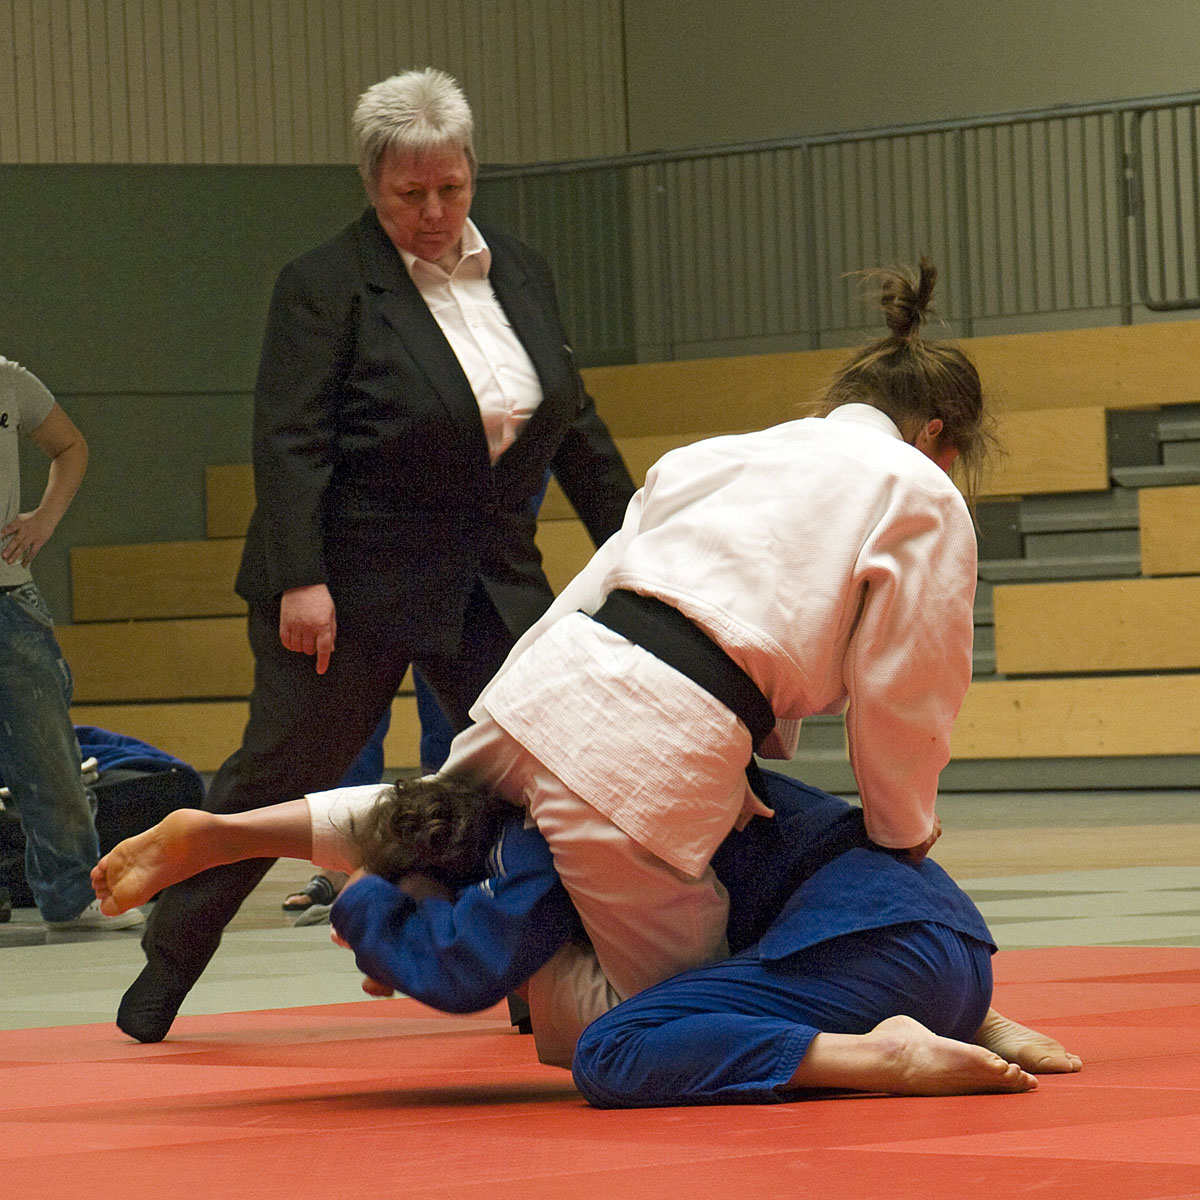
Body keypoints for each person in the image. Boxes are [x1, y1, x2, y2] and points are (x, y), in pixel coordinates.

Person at [117, 67, 633, 1043]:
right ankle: (167, 965)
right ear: (370, 183)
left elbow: (572, 422)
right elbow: (292, 439)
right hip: (350, 579)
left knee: (535, 769)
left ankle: (530, 972)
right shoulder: (324, 285)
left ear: (473, 172)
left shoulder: (519, 270)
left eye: (452, 188)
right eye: (410, 194)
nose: (435, 211)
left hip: (487, 571)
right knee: (278, 777)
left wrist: (644, 542)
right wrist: (302, 576)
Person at [432, 258, 996, 1035]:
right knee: (680, 1013)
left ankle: (369, 878)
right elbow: (904, 685)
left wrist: (484, 737)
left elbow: (585, 595)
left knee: (436, 824)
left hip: (546, 687)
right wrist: (900, 830)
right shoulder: (919, 489)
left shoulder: (714, 454)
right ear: (936, 433)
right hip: (667, 732)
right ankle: (551, 975)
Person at [91, 767, 1081, 1102]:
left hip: (873, 966)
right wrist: (228, 837)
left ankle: (882, 1056)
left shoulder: (544, 840)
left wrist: (368, 915)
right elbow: (405, 816)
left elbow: (468, 964)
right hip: (949, 940)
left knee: (606, 1046)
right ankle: (966, 1018)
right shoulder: (548, 776)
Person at [0, 354, 144, 931]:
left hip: (9, 598)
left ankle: (69, 894)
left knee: (48, 757)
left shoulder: (8, 379)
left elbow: (70, 447)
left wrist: (44, 519)